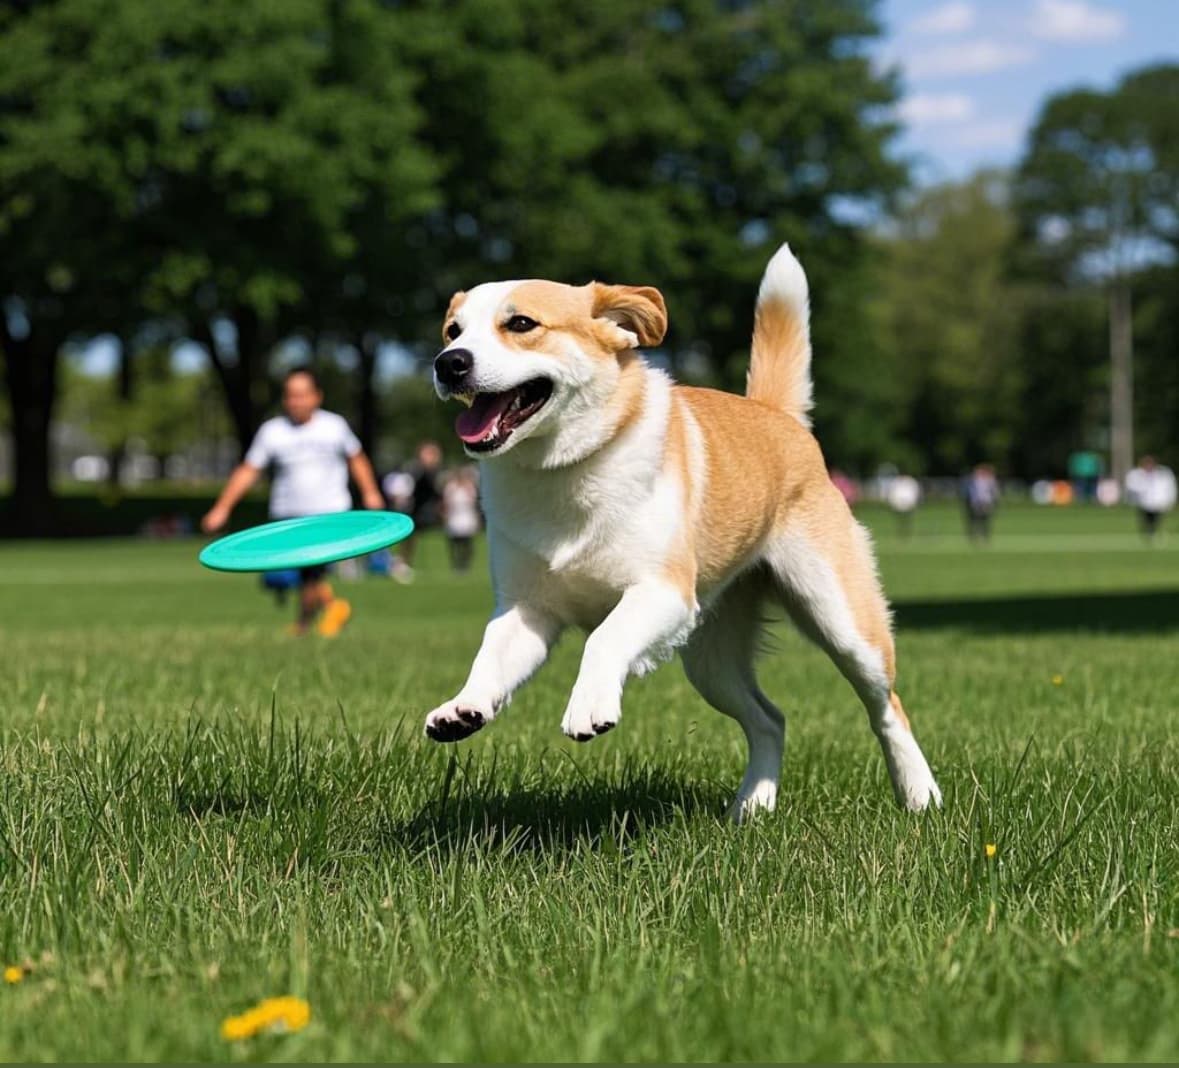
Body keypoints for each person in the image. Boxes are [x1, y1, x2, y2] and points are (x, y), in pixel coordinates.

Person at [201, 367, 384, 635]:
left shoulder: (334, 426)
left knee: (310, 573)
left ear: (317, 396)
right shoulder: (272, 431)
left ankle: (304, 625)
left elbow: (357, 458)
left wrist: (371, 492)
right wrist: (222, 508)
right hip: (287, 517)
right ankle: (332, 606)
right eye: (290, 396)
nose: (296, 401)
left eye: (302, 395)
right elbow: (249, 470)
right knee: (279, 577)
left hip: (327, 514)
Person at [386, 441, 444, 583]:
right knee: (407, 538)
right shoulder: (415, 470)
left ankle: (403, 563)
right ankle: (399, 563)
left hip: (420, 509)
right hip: (411, 509)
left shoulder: (432, 472)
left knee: (412, 539)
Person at [1125, 455, 1177, 542]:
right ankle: (1148, 532)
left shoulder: (1162, 474)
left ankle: (1152, 532)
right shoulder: (1137, 474)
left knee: (1156, 519)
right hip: (1144, 503)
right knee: (1146, 519)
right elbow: (1132, 487)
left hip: (1157, 503)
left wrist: (1169, 500)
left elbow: (1166, 488)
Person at [442, 466, 481, 572]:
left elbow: (474, 504)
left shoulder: (470, 487)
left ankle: (465, 564)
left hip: (467, 518)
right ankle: (456, 564)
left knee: (467, 543)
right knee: (454, 543)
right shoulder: (451, 487)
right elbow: (446, 503)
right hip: (453, 518)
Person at [962, 463, 999, 543]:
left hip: (985, 502)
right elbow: (971, 493)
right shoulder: (973, 480)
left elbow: (994, 492)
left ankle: (984, 536)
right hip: (976, 503)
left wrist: (994, 501)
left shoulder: (989, 480)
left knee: (985, 520)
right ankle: (974, 536)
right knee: (975, 520)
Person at [885, 473, 921, 539]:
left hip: (908, 504)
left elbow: (915, 492)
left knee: (907, 520)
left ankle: (906, 531)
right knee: (901, 520)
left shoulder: (910, 482)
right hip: (899, 505)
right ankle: (902, 531)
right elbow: (892, 494)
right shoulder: (896, 482)